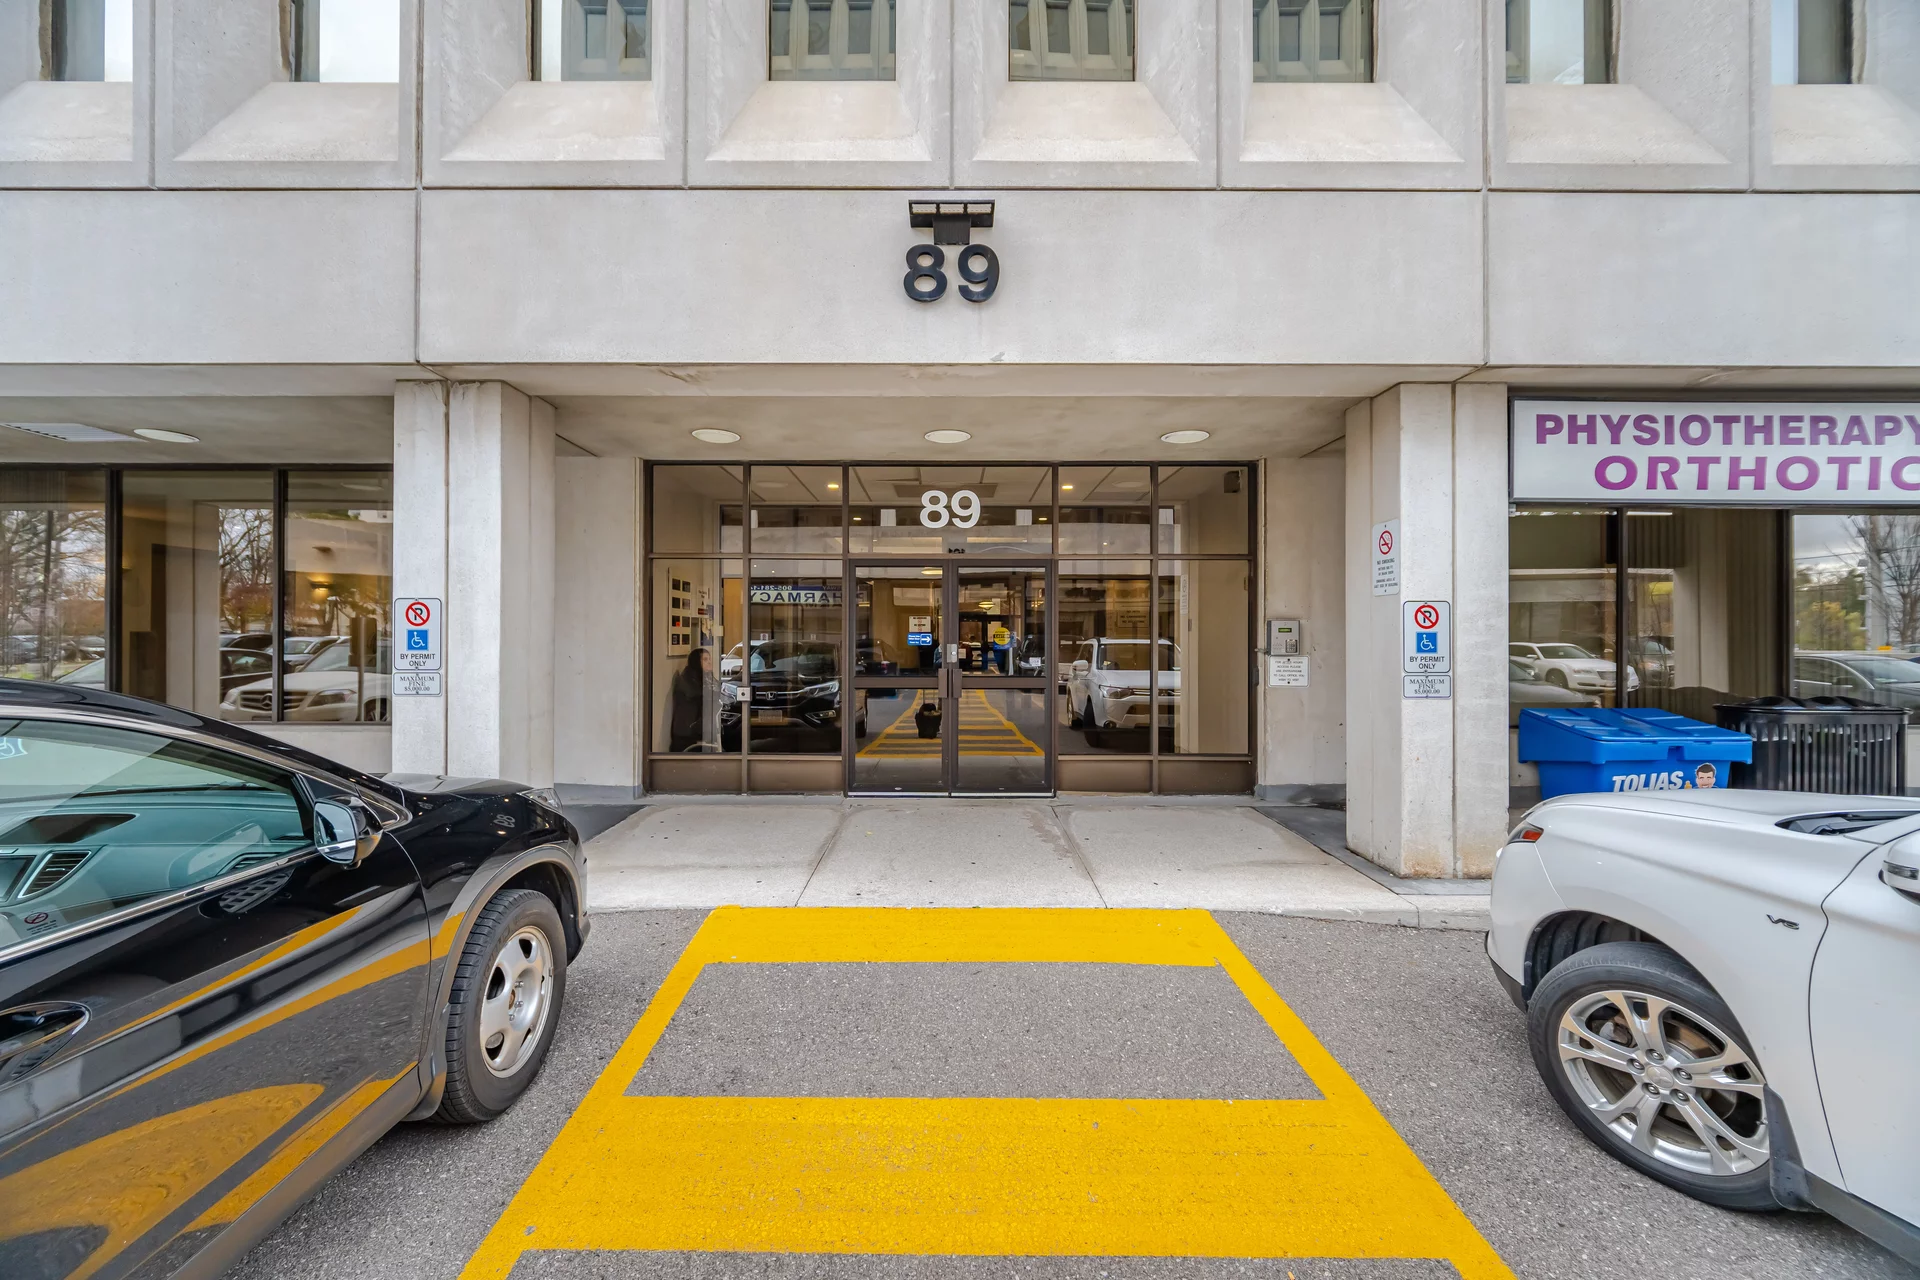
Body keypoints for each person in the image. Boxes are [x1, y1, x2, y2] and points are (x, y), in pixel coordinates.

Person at [669, 647, 718, 752]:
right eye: (705, 659)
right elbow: (703, 699)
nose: (709, 662)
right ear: (696, 662)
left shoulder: (705, 677)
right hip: (688, 735)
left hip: (701, 727)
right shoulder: (687, 681)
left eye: (709, 659)